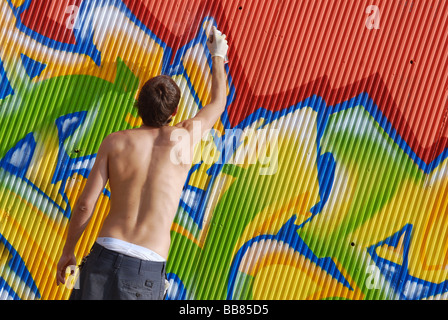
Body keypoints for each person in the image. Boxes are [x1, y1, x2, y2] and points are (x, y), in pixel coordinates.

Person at [55, 26, 229, 300]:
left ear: (138, 103)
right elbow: (218, 103)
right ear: (174, 112)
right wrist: (218, 55)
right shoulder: (184, 139)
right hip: (145, 271)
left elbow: (86, 204)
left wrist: (69, 250)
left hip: (101, 258)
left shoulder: (115, 142)